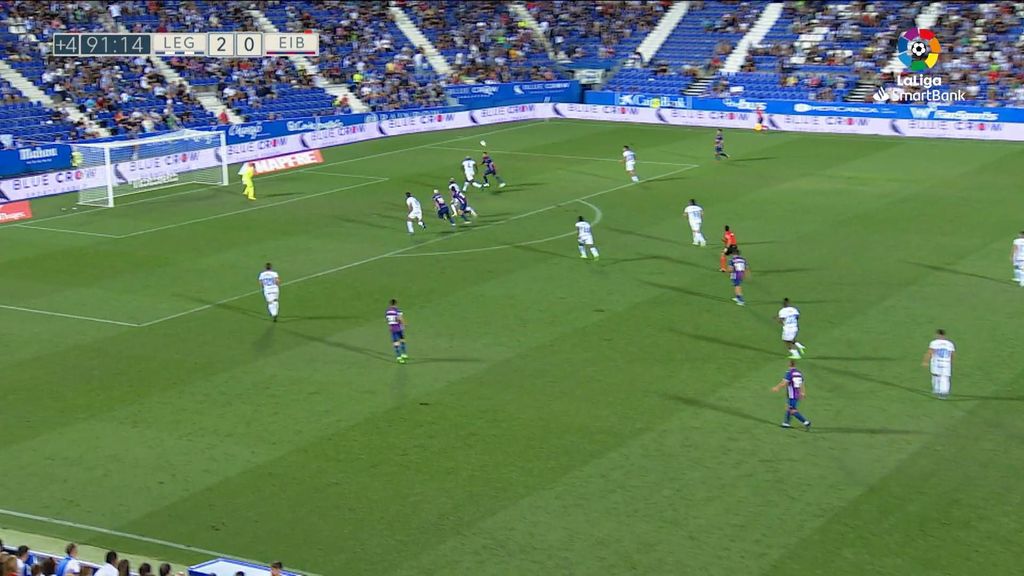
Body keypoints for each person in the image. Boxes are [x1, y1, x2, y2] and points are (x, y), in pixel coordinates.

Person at [772, 360, 811, 430]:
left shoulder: (789, 373)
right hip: (797, 394)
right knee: (788, 407)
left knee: (792, 410)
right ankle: (786, 423)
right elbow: (802, 383)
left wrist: (777, 387)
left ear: (789, 364)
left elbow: (784, 383)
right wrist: (803, 392)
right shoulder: (799, 373)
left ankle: (806, 422)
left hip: (792, 395)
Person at [923, 329, 955, 399]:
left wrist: (925, 361)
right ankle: (943, 394)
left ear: (938, 335)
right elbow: (952, 355)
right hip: (946, 364)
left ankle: (937, 391)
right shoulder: (950, 344)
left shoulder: (934, 343)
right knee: (945, 378)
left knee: (935, 377)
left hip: (936, 363)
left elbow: (930, 352)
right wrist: (951, 363)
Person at [386, 299, 408, 363]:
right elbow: (400, 318)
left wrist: (390, 326)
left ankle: (399, 357)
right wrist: (404, 324)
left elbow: (388, 320)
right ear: (396, 303)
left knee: (395, 342)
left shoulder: (388, 312)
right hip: (398, 327)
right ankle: (403, 354)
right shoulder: (397, 310)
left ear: (390, 304)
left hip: (392, 328)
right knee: (402, 339)